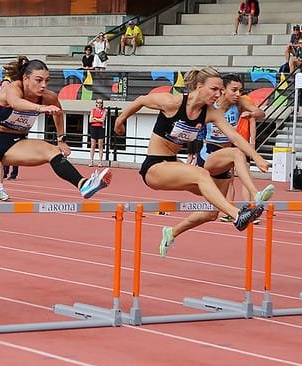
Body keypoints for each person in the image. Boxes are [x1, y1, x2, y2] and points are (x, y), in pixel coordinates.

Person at [113, 67, 271, 257]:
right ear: (199, 87)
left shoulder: (211, 113)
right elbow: (141, 101)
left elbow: (235, 138)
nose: (218, 94)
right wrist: (119, 121)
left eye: (221, 90)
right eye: (214, 89)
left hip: (174, 164)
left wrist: (256, 157)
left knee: (213, 210)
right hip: (154, 166)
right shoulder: (173, 102)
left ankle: (171, 232)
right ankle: (238, 214)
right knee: (201, 174)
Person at [0, 56, 112, 204]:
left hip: (16, 143)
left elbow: (59, 114)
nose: (43, 85)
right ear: (25, 79)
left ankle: (84, 184)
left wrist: (61, 139)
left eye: (46, 80)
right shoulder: (12, 88)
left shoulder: (48, 97)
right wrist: (40, 109)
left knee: (51, 151)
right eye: (39, 80)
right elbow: (16, 103)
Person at [192, 74, 271, 226]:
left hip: (225, 154)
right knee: (237, 154)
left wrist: (253, 114)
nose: (238, 94)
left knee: (211, 213)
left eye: (240, 90)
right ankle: (256, 195)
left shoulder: (239, 103)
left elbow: (261, 113)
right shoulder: (211, 105)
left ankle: (172, 232)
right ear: (223, 90)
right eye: (234, 90)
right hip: (209, 154)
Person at [89, 98, 106, 167]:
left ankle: (100, 162)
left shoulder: (104, 111)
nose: (99, 104)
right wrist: (98, 119)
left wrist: (95, 118)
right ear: (96, 103)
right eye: (98, 102)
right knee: (93, 145)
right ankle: (91, 161)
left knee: (100, 146)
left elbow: (103, 120)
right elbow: (90, 120)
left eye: (101, 103)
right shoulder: (93, 110)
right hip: (93, 128)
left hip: (100, 129)